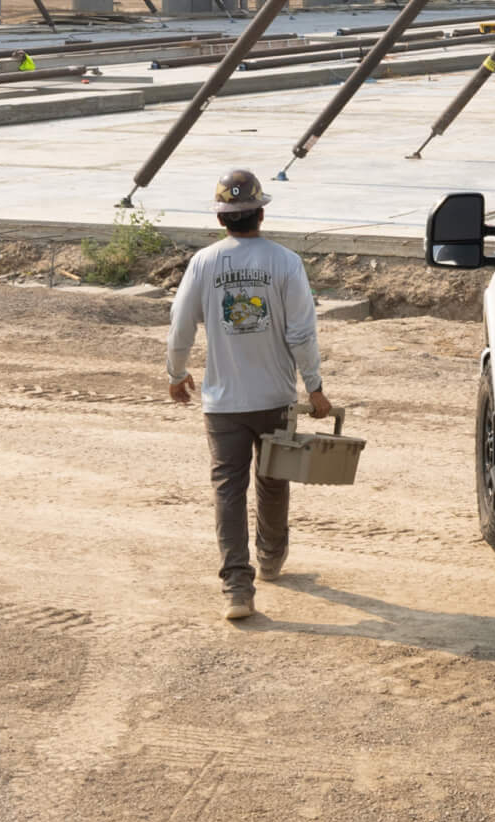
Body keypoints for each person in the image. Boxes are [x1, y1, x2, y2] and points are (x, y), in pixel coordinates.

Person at [166, 168, 331, 622]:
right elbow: (302, 332)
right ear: (260, 213)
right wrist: (314, 388)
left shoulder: (203, 264)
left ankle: (238, 587)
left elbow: (181, 324)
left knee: (228, 490)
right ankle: (272, 556)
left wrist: (176, 373)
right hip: (275, 397)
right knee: (273, 480)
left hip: (223, 404)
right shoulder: (284, 262)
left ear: (222, 221)